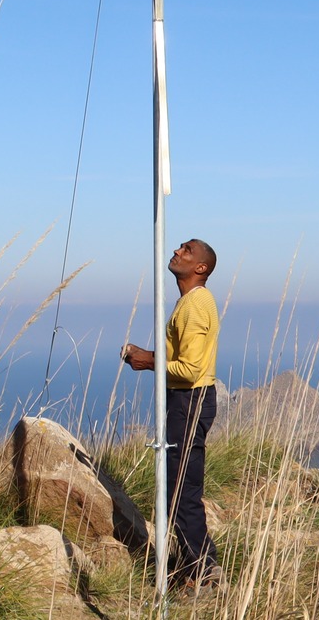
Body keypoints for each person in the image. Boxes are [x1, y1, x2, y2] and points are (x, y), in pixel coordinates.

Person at [122, 237, 222, 588]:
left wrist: (148, 361)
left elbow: (190, 370)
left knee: (180, 491)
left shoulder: (195, 304)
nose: (178, 251)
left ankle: (205, 574)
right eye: (180, 247)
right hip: (189, 401)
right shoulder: (192, 301)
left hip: (189, 401)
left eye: (187, 251)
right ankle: (194, 569)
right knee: (178, 488)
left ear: (201, 268)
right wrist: (148, 355)